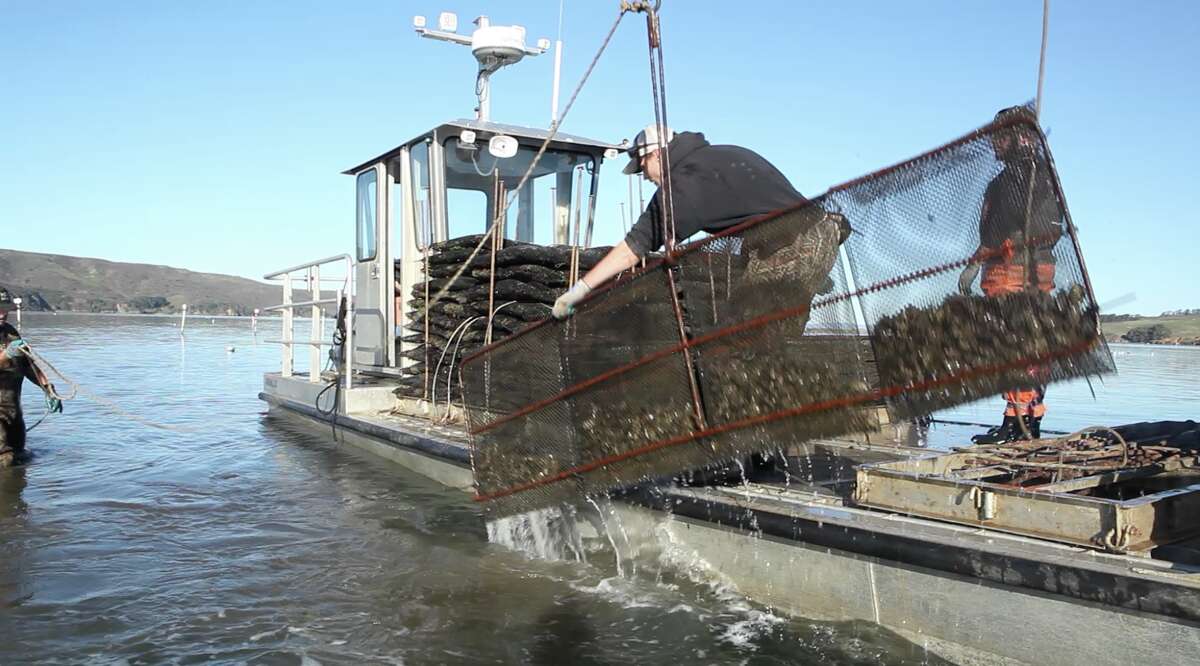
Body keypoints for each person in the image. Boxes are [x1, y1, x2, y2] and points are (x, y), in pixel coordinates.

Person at [553, 125, 835, 318]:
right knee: (768, 335)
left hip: (792, 247)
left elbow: (632, 248)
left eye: (642, 169)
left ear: (654, 154)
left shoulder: (685, 184)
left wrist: (578, 292)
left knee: (741, 342)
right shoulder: (720, 156)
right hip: (818, 233)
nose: (646, 177)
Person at [958, 106, 1064, 444]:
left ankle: (1020, 422)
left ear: (1020, 137)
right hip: (1007, 268)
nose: (993, 144)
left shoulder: (1034, 175)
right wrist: (978, 261)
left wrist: (1003, 248)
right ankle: (1021, 421)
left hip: (1021, 269)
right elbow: (994, 231)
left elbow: (1045, 227)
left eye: (1000, 138)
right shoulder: (1006, 180)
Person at [0, 289, 62, 461]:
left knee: (19, 455)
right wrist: (6, 355)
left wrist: (48, 389)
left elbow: (28, 366)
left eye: (5, 308)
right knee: (6, 459)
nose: (3, 313)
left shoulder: (11, 333)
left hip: (13, 411)